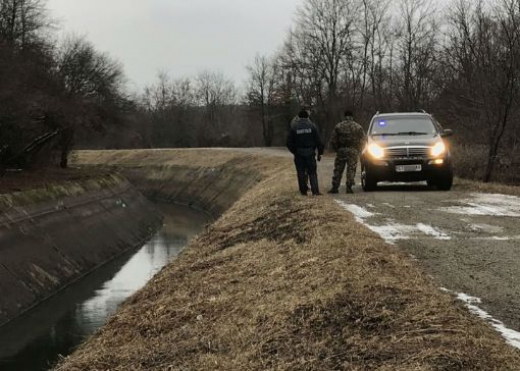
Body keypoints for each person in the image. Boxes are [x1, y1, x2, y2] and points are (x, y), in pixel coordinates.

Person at [286, 109, 324, 196]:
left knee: (301, 172)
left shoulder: (294, 127)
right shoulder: (312, 126)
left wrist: (294, 151)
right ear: (307, 117)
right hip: (310, 152)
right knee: (312, 173)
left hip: (299, 153)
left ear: (299, 117)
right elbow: (318, 141)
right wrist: (320, 153)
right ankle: (315, 191)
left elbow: (288, 142)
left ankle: (303, 191)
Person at [328, 110, 366, 194]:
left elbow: (333, 140)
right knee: (351, 169)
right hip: (353, 150)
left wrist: (337, 149)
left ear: (344, 116)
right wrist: (359, 149)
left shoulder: (339, 126)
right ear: (352, 116)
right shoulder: (357, 126)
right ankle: (349, 187)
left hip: (341, 150)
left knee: (338, 169)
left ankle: (335, 187)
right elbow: (363, 140)